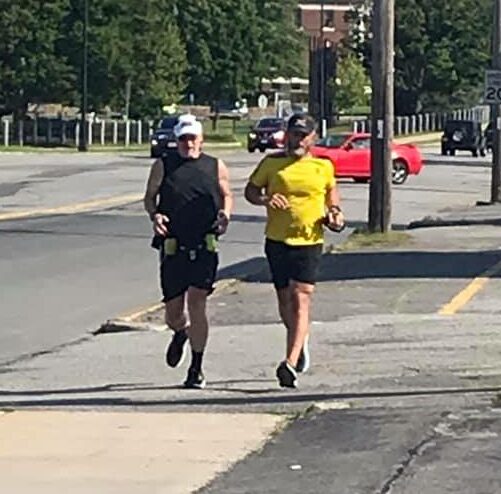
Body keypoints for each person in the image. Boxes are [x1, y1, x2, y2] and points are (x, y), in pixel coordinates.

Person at [244, 113, 345, 388]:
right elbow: (250, 191)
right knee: (284, 302)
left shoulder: (322, 165)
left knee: (301, 298)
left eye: (303, 135)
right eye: (293, 134)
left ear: (313, 138)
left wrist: (335, 213)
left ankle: (289, 362)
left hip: (309, 241)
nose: (297, 140)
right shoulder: (272, 163)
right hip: (277, 240)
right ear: (286, 135)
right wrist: (265, 199)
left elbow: (331, 194)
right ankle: (300, 341)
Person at [144, 114, 232, 389]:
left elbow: (227, 194)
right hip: (173, 245)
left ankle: (196, 367)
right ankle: (180, 332)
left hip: (204, 243)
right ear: (176, 141)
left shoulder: (215, 166)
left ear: (201, 140)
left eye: (192, 139)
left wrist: (225, 214)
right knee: (173, 312)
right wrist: (155, 215)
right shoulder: (163, 165)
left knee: (197, 302)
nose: (188, 144)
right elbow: (149, 197)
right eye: (183, 139)